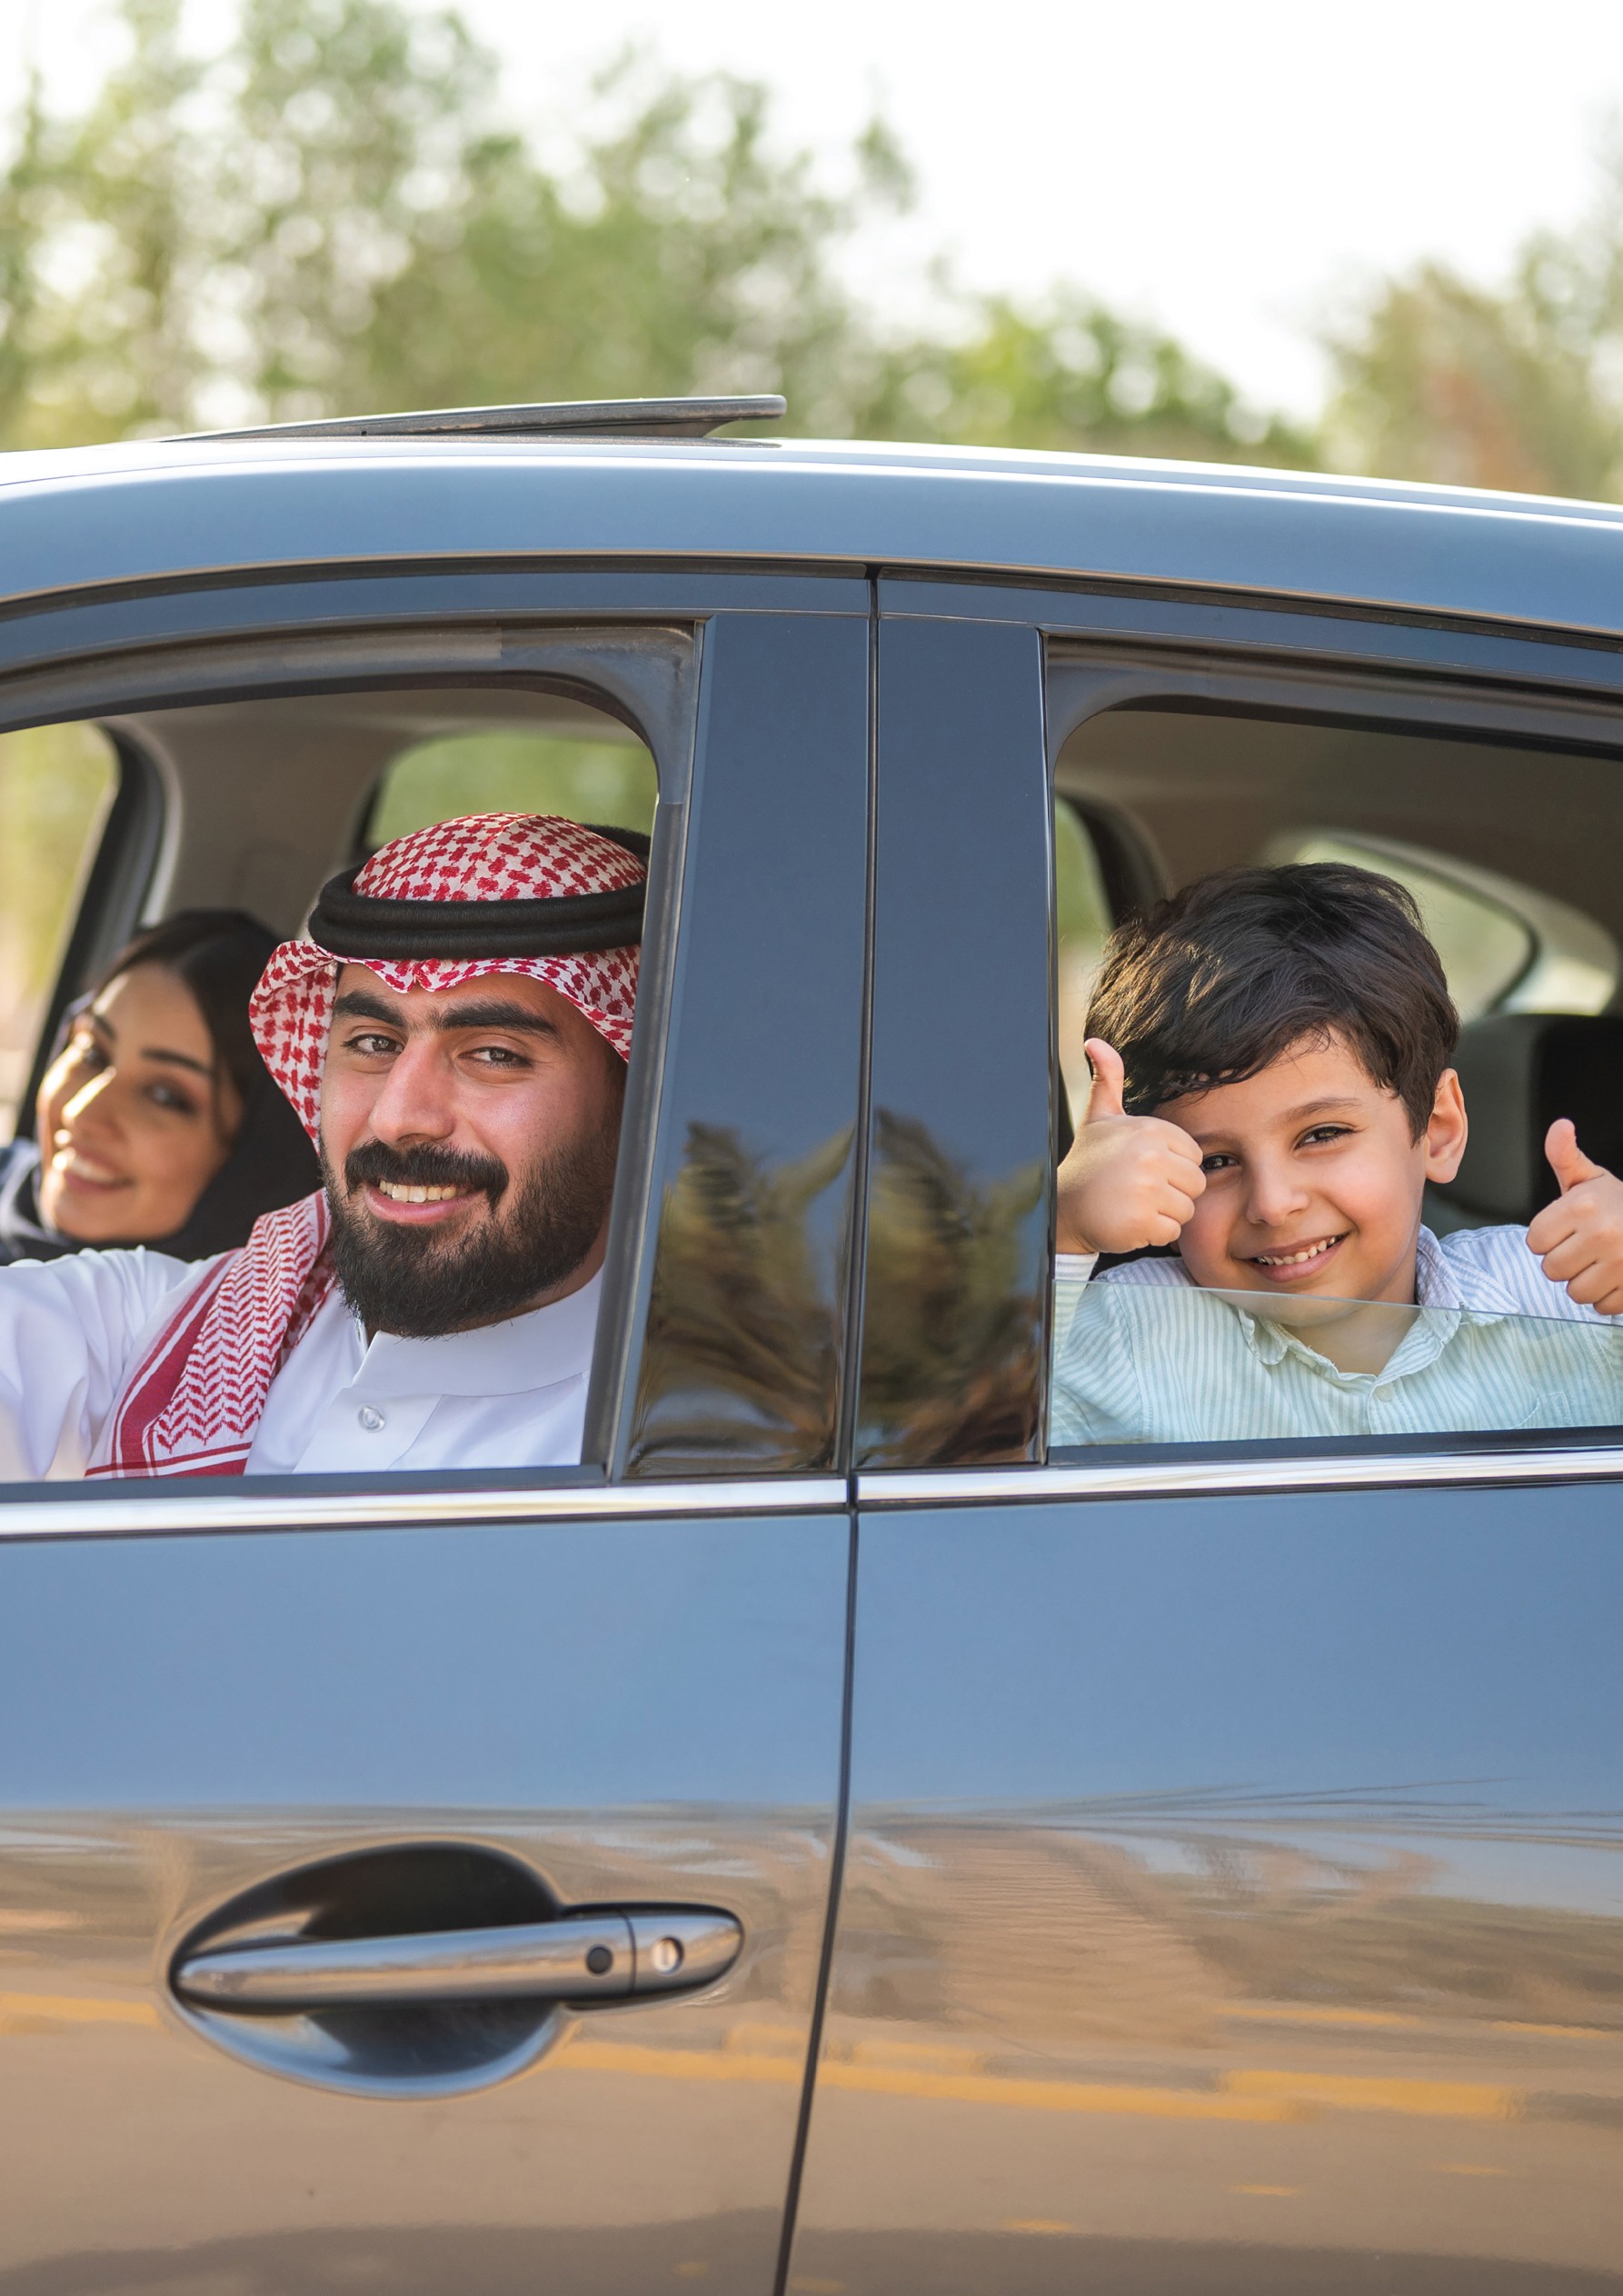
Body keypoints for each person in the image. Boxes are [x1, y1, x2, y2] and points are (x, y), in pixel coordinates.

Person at [0, 813, 644, 1479]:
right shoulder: (158, 1330)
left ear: (636, 1098)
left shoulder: (682, 1460)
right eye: (372, 1043)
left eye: (493, 1054)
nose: (397, 1119)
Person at [1050, 863, 1623, 1446]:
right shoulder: (1131, 1332)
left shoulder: (1565, 1294)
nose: (1273, 1205)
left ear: (1439, 1128)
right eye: (1213, 1161)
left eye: (1322, 1135)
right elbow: (975, 1433)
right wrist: (1065, 1228)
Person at [0, 910, 318, 1266]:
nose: (81, 1114)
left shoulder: (252, 1320)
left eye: (165, 1097)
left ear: (256, 1162)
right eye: (92, 1053)